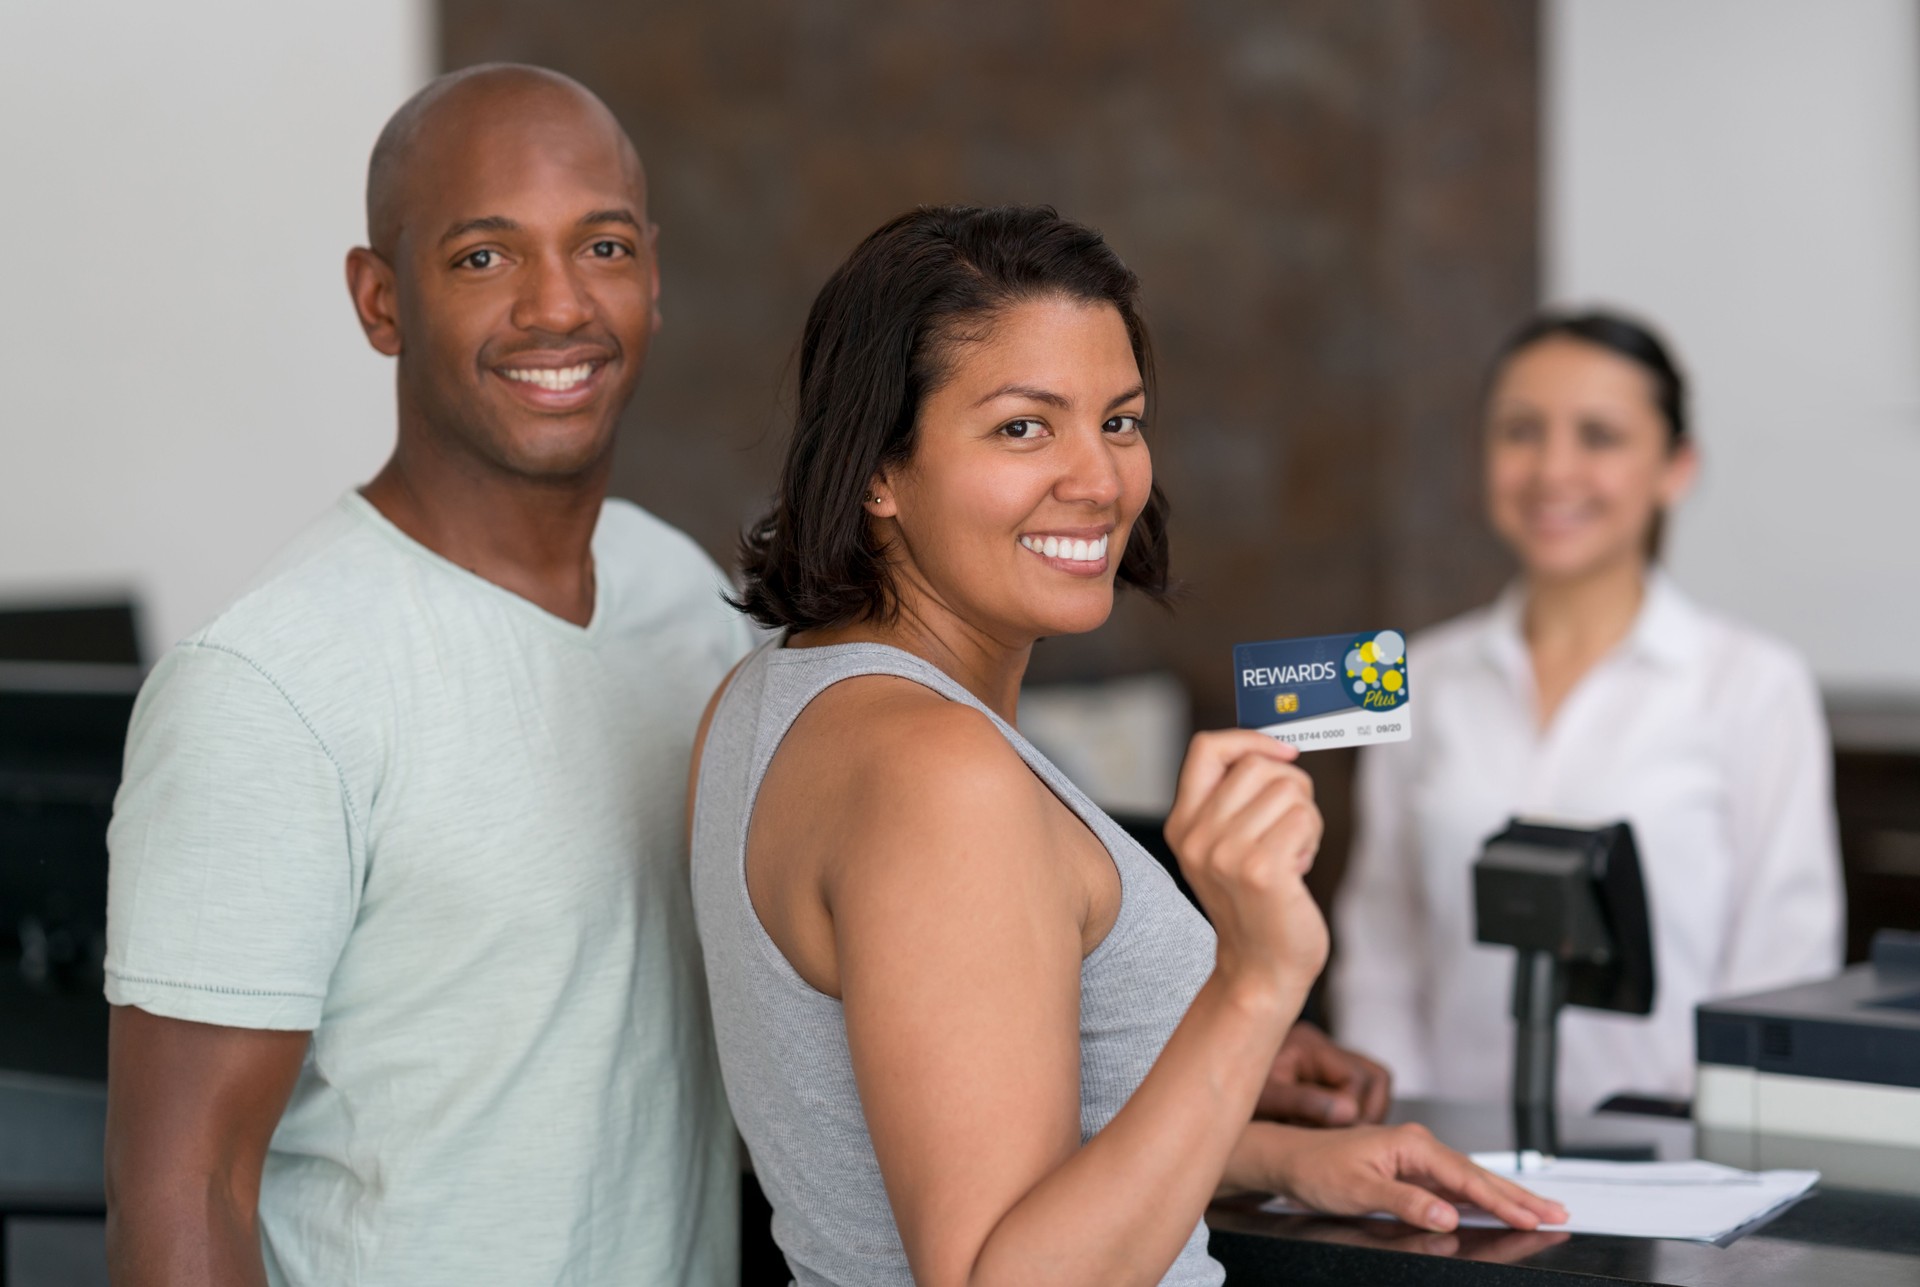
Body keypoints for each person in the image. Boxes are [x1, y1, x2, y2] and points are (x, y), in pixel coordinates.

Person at [688, 205, 1563, 1287]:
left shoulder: (766, 696)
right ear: (879, 470)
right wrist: (1252, 984)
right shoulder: (938, 772)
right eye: (1022, 427)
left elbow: (975, 1139)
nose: (1098, 480)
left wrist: (1282, 1157)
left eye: (1121, 420)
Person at [102, 65, 755, 1286]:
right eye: (482, 258)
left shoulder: (689, 602)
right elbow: (181, 1200)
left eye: (600, 245)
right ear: (379, 298)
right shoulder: (269, 684)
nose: (558, 307)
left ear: (652, 276)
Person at [1331, 310, 1845, 1111]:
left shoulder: (1754, 685)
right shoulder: (1418, 677)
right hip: (1438, 1173)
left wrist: (1685, 1148)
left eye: (1599, 436)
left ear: (1676, 466)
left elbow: (1782, 967)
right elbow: (1382, 946)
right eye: (1521, 431)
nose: (1552, 469)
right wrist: (1405, 1125)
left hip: (1675, 1167)